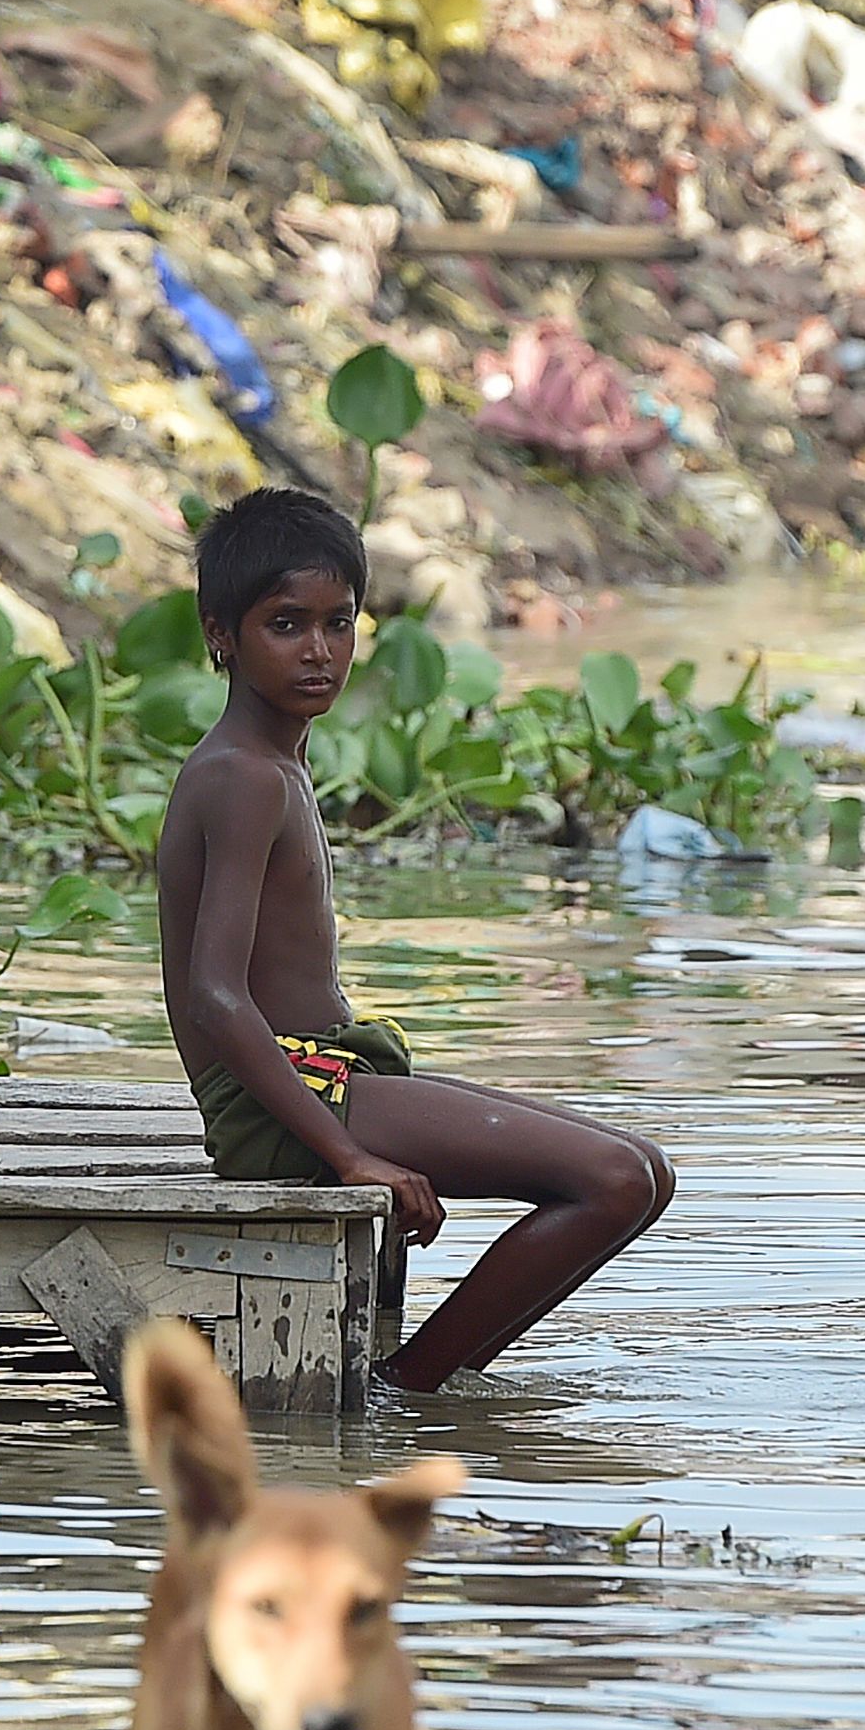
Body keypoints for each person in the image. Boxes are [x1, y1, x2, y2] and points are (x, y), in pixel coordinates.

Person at [152, 489, 673, 1393]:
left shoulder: (279, 759)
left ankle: (440, 1378)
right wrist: (351, 1153)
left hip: (324, 1075)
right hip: (277, 1103)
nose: (319, 651)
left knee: (649, 1171)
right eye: (285, 624)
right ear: (222, 636)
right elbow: (215, 995)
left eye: (338, 624)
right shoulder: (241, 776)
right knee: (616, 1181)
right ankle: (412, 1387)